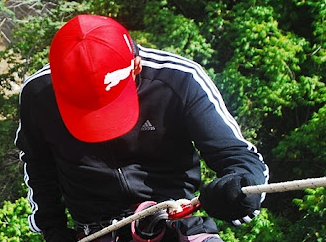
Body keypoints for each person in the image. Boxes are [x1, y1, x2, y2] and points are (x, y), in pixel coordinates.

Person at [15, 14, 269, 242]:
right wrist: (52, 229)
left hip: (177, 222)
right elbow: (37, 164)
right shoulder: (38, 94)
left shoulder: (180, 79)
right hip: (96, 232)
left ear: (136, 66)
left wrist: (240, 193)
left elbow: (239, 156)